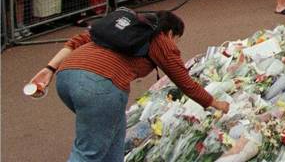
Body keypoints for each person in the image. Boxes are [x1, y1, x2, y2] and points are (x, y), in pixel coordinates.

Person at [25, 11, 229, 161]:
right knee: (89, 151)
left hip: (66, 77)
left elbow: (77, 40)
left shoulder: (120, 25)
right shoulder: (160, 40)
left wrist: (50, 69)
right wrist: (215, 103)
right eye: (176, 38)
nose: (175, 43)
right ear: (169, 32)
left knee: (114, 135)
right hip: (99, 86)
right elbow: (185, 82)